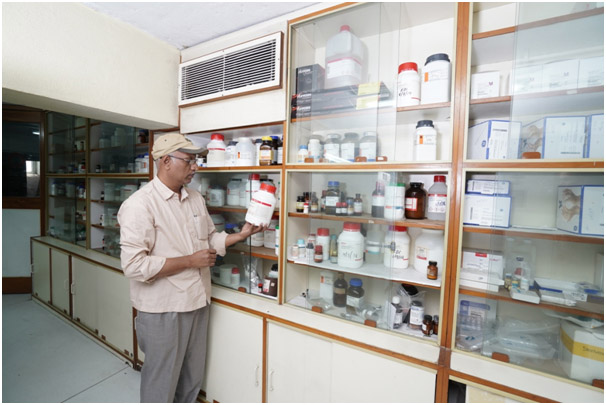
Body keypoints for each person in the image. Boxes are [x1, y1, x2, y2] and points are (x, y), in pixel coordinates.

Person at [118, 132, 266, 402]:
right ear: (166, 161)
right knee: (161, 381)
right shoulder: (140, 205)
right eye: (188, 161)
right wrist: (190, 261)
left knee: (191, 377)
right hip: (164, 308)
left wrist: (241, 235)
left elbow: (209, 240)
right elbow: (134, 265)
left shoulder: (194, 198)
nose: (195, 167)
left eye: (196, 161)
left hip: (197, 299)